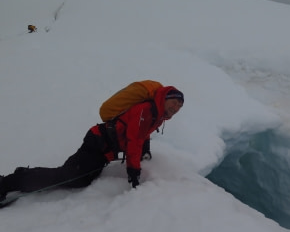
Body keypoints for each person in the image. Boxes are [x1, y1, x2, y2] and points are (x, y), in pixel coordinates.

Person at [0, 85, 184, 201]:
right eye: (174, 102)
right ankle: (7, 184)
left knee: (81, 178)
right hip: (97, 143)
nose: (175, 108)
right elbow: (133, 139)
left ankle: (24, 174)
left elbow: (142, 135)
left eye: (179, 106)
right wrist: (133, 171)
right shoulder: (147, 110)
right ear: (165, 98)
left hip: (103, 147)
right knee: (68, 177)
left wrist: (146, 149)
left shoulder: (156, 115)